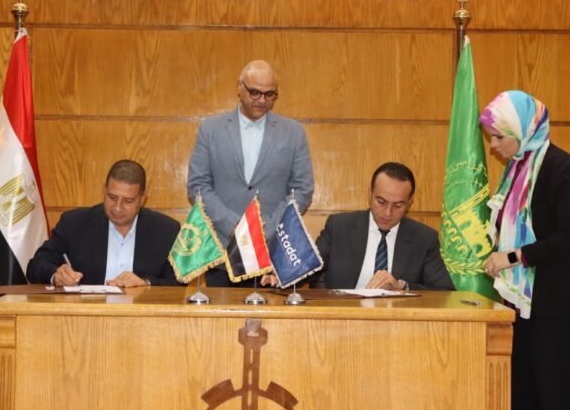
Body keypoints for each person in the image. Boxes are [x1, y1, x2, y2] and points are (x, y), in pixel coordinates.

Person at [480, 90, 570, 410]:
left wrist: (513, 257)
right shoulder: (517, 168)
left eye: (498, 137)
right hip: (524, 304)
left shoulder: (563, 168)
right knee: (522, 397)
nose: (493, 146)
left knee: (557, 399)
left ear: (522, 130)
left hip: (564, 304)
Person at [187, 60, 314, 287]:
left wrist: (265, 229)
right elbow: (198, 186)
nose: (262, 101)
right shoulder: (211, 129)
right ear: (239, 87)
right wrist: (235, 226)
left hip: (271, 254)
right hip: (224, 254)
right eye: (255, 92)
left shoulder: (294, 133)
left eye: (270, 94)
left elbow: (302, 190)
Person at [27, 160, 180, 287]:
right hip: (87, 313)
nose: (118, 208)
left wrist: (145, 283)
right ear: (104, 190)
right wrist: (56, 275)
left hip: (141, 314)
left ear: (142, 199)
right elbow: (36, 266)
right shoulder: (74, 223)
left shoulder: (166, 230)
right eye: (112, 197)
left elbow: (178, 282)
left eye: (128, 201)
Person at [310, 162, 454, 291]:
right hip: (344, 311)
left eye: (398, 205)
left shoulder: (424, 239)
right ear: (370, 195)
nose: (387, 213)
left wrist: (402, 286)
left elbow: (444, 291)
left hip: (397, 312)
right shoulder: (339, 227)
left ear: (409, 204)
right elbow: (304, 270)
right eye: (381, 201)